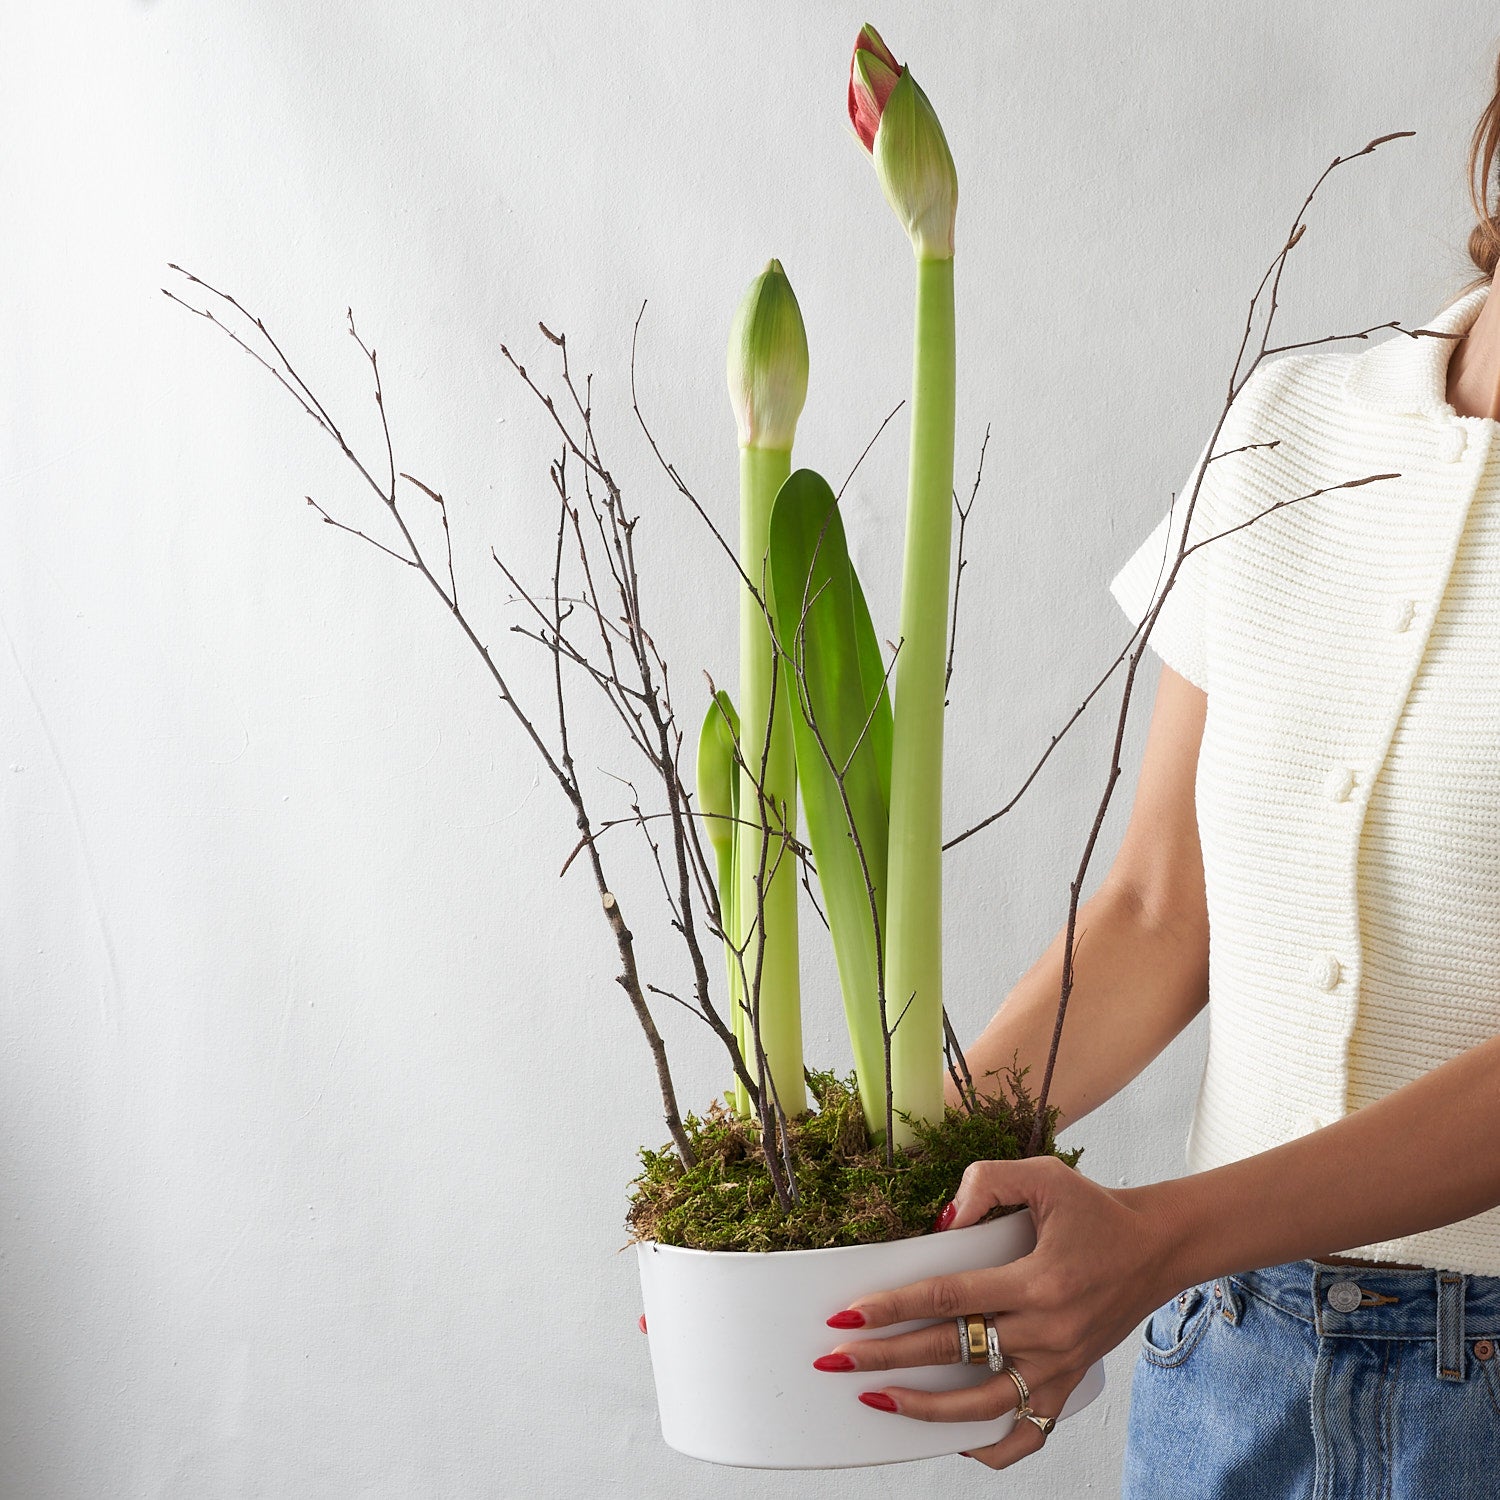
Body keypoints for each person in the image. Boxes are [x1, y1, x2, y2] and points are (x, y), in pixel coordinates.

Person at [808, 59, 1500, 1496]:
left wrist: (1160, 1236)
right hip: (1225, 1368)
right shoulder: (1295, 422)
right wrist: (880, 1196)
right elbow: (1153, 913)